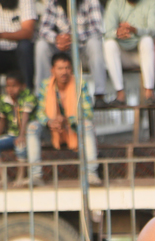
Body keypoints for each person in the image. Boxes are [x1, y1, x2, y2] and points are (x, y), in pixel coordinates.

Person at [25, 52, 103, 186]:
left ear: (71, 69)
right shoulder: (45, 85)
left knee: (88, 125)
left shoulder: (80, 84)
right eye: (60, 68)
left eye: (67, 68)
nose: (64, 72)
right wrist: (49, 122)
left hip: (74, 128)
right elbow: (40, 112)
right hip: (52, 130)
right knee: (32, 127)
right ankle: (36, 175)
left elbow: (88, 112)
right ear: (52, 70)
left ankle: (91, 174)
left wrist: (68, 121)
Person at [36, 0, 108, 107]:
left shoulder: (91, 1)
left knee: (95, 43)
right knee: (41, 45)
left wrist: (73, 38)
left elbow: (97, 29)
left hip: (82, 50)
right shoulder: (53, 2)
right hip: (61, 50)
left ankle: (99, 95)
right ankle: (43, 96)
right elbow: (43, 29)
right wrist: (57, 38)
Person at [103, 0, 155, 106]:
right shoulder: (114, 3)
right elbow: (107, 32)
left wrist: (135, 30)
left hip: (143, 55)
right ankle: (120, 93)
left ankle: (149, 93)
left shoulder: (152, 2)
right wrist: (117, 32)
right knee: (109, 44)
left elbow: (153, 30)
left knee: (147, 40)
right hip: (123, 55)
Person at [0, 71, 36, 185]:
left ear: (22, 86)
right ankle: (3, 178)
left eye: (14, 86)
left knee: (20, 145)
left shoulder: (28, 96)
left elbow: (25, 116)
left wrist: (22, 135)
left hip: (27, 135)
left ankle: (20, 177)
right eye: (8, 86)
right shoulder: (4, 99)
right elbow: (2, 120)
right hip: (11, 135)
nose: (10, 89)